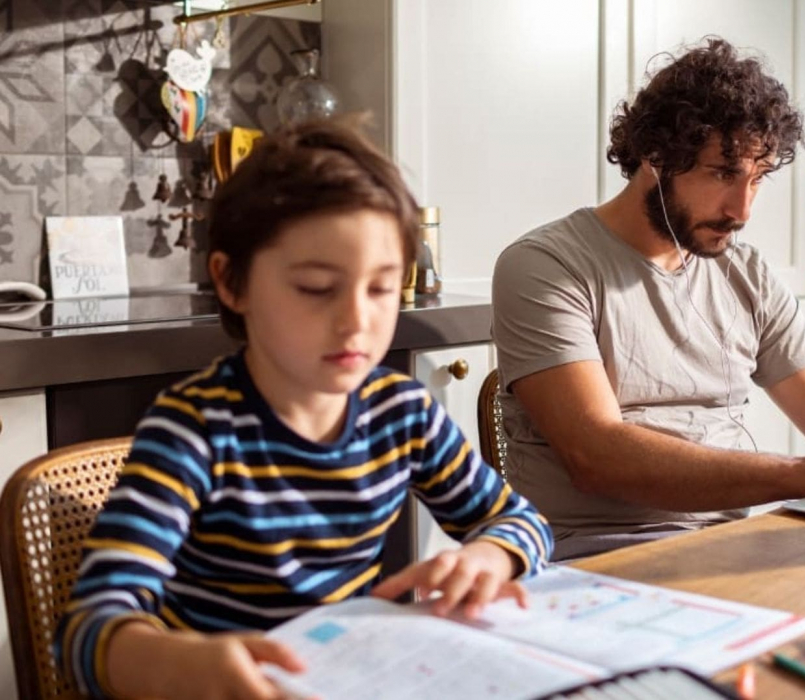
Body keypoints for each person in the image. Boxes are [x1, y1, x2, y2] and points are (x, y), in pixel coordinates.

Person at [56, 118, 553, 699]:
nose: (356, 321)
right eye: (317, 288)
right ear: (231, 282)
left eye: (381, 288)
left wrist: (492, 557)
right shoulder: (194, 429)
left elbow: (522, 522)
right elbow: (87, 628)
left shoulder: (402, 413)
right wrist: (175, 666)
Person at [491, 39, 805, 561]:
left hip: (729, 544)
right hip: (596, 557)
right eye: (723, 174)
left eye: (758, 178)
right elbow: (597, 454)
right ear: (656, 156)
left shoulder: (746, 273)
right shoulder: (546, 266)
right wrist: (804, 472)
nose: (741, 209)